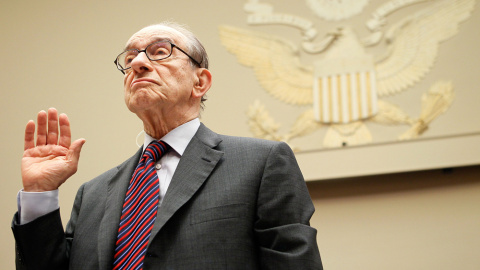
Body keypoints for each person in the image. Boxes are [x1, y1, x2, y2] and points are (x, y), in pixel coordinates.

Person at [11, 22, 323, 270]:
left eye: (160, 52)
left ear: (199, 82)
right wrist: (39, 193)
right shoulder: (91, 194)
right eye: (130, 58)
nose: (139, 64)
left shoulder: (261, 163)